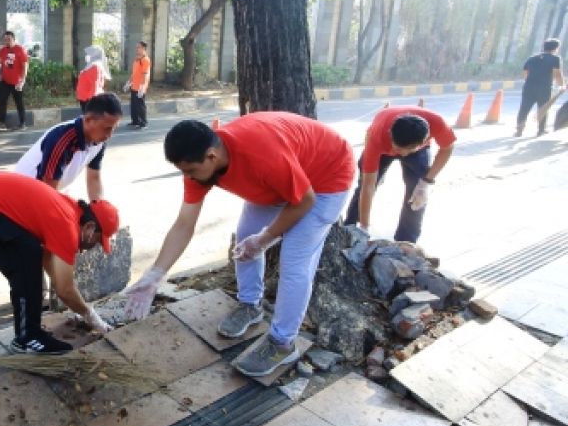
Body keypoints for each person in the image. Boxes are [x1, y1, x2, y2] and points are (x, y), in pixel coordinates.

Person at [124, 115, 354, 378]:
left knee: (294, 261)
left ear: (211, 156)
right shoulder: (201, 167)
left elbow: (303, 201)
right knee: (246, 236)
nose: (188, 178)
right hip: (283, 179)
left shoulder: (262, 156)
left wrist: (265, 239)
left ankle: (282, 343)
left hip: (325, 178)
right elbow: (184, 224)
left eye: (190, 171)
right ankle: (250, 305)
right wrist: (156, 275)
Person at [0, 171, 119, 351]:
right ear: (90, 228)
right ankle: (28, 337)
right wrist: (91, 316)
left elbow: (51, 265)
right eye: (98, 241)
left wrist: (64, 300)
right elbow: (65, 290)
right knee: (27, 256)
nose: (94, 246)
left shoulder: (68, 209)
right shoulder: (67, 225)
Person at [343, 107, 455, 244]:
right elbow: (368, 186)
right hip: (383, 146)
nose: (402, 154)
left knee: (417, 195)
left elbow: (447, 148)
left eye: (407, 150)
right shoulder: (377, 138)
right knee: (363, 188)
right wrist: (364, 227)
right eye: (398, 149)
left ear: (425, 140)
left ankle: (407, 242)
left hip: (418, 150)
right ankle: (352, 231)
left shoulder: (438, 123)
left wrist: (426, 182)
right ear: (391, 134)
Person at [14, 93, 122, 201]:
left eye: (114, 128)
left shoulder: (99, 140)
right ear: (88, 120)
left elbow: (94, 178)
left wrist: (98, 210)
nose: (110, 135)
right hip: (25, 193)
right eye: (107, 128)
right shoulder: (61, 139)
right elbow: (48, 189)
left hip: (50, 190)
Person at [518, 38, 564, 137]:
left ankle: (519, 130)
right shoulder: (555, 58)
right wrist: (562, 85)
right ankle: (540, 130)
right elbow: (557, 74)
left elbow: (524, 74)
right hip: (544, 88)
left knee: (524, 108)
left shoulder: (532, 58)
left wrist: (531, 81)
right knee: (543, 109)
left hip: (529, 87)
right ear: (556, 48)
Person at [0, 30, 30, 131]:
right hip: (5, 81)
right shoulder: (2, 51)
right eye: (5, 39)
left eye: (9, 39)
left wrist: (22, 80)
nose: (7, 41)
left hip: (17, 82)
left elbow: (25, 66)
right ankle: (2, 123)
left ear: (14, 39)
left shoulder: (20, 49)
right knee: (2, 102)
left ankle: (23, 123)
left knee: (19, 102)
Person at [125, 41, 151, 128]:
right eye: (136, 47)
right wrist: (129, 82)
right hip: (134, 86)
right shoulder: (137, 59)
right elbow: (134, 72)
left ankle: (143, 122)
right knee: (133, 104)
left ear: (143, 48)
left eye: (138, 47)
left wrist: (142, 87)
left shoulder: (145, 60)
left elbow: (145, 74)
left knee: (140, 105)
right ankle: (135, 121)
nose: (137, 49)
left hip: (140, 86)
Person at [76, 45, 109, 111]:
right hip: (84, 98)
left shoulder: (95, 67)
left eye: (89, 54)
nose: (87, 55)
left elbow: (95, 85)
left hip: (88, 99)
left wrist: (91, 100)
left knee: (91, 119)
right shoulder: (91, 66)